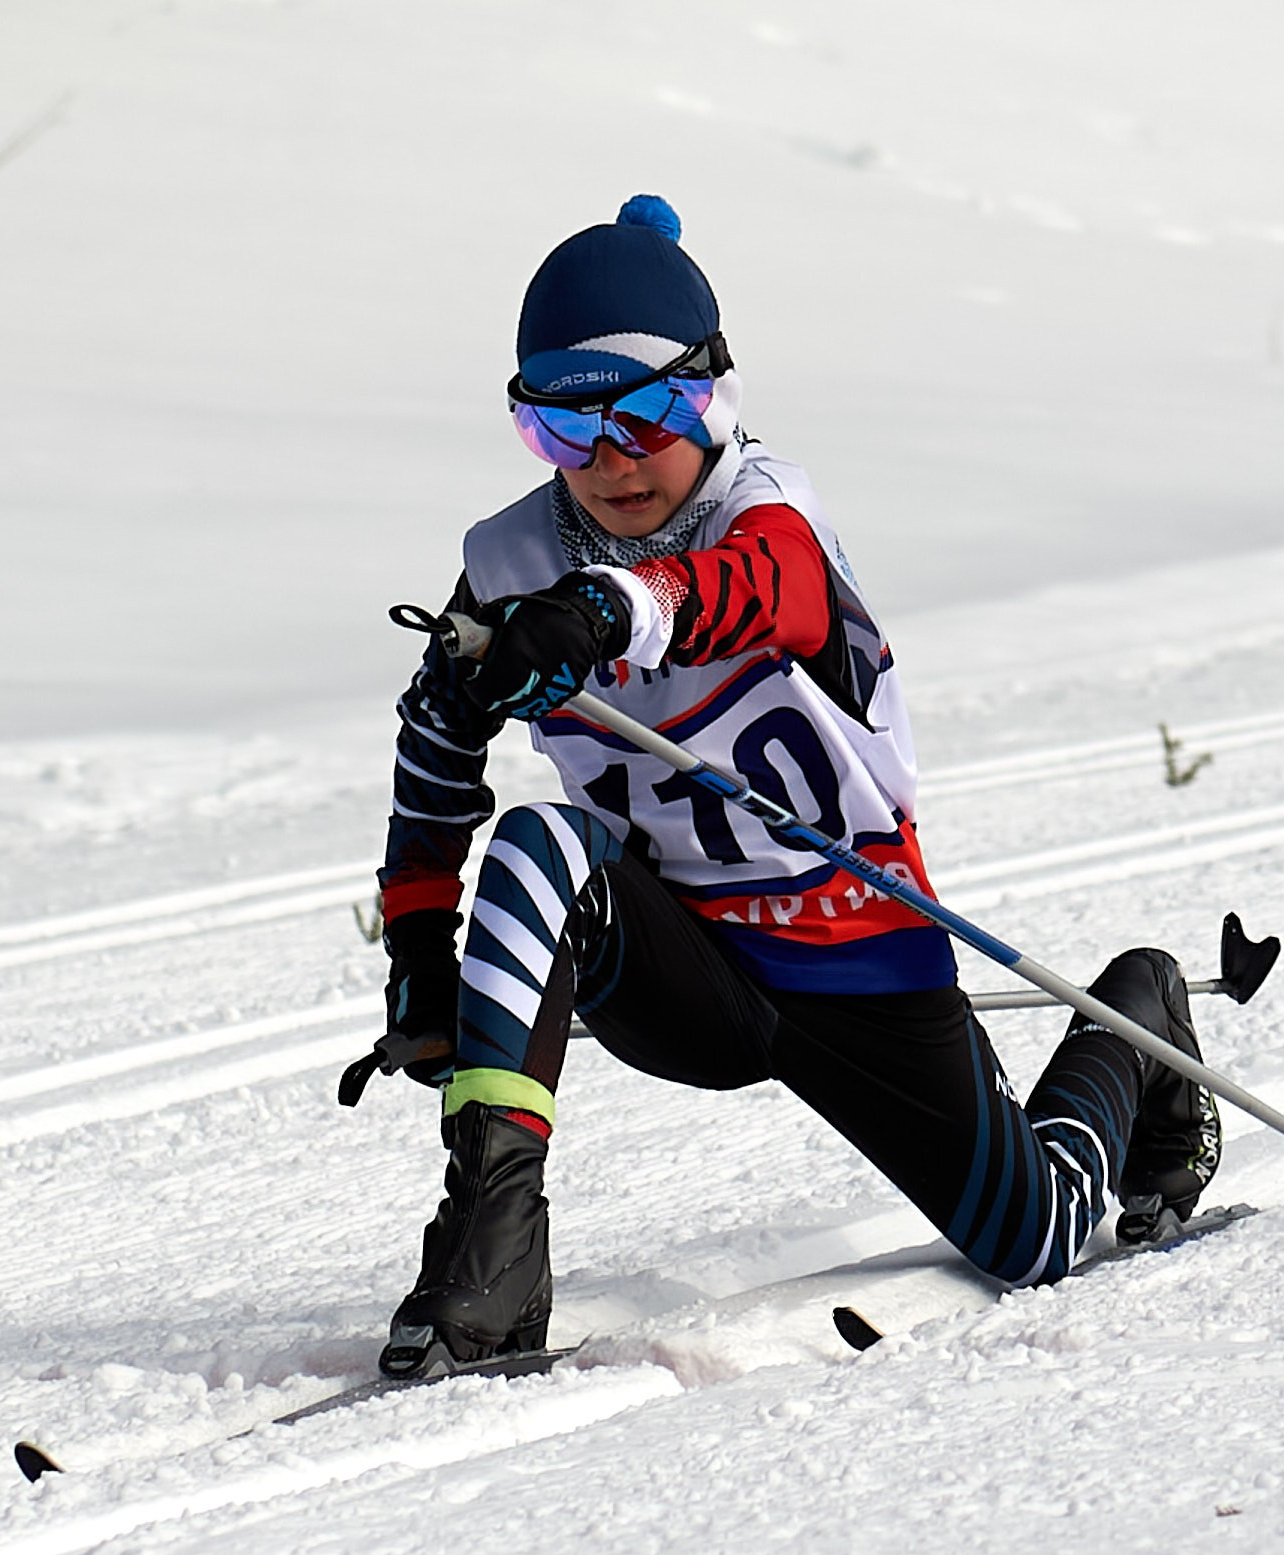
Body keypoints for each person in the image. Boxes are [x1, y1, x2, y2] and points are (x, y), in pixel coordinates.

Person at [351, 195, 1222, 1381]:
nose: (607, 464)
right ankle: (488, 1249)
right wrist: (417, 955)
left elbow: (758, 590)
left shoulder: (768, 512)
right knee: (538, 841)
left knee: (1038, 1238)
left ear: (709, 396)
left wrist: (607, 609)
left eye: (642, 417)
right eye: (559, 431)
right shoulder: (510, 565)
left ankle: (1140, 1021)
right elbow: (436, 745)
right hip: (681, 965)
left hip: (855, 950)